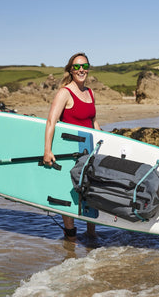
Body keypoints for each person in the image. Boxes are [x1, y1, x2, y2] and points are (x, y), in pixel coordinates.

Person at [43, 52, 100, 239]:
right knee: (69, 194)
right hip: (69, 152)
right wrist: (47, 150)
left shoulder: (90, 92)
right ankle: (71, 238)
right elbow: (51, 122)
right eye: (77, 67)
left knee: (91, 194)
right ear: (70, 70)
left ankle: (92, 236)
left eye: (84, 66)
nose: (81, 69)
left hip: (89, 151)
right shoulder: (64, 93)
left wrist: (104, 143)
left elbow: (93, 121)